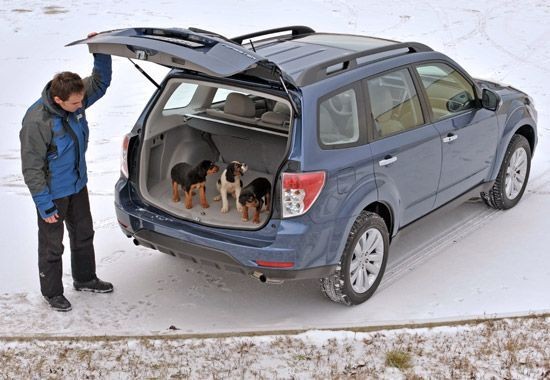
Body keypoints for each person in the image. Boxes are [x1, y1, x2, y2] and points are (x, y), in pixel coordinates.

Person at [20, 33, 113, 312]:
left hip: (77, 185)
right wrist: (44, 203)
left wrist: (100, 49)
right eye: (75, 104)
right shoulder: (37, 122)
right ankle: (52, 293)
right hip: (52, 193)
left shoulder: (76, 97)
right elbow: (31, 166)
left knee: (84, 233)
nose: (81, 106)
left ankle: (85, 279)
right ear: (58, 100)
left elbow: (100, 82)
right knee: (52, 246)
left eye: (81, 101)